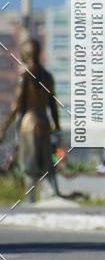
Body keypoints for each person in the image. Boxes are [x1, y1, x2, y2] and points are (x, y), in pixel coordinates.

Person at [0, 38, 61, 201]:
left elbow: (16, 106)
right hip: (44, 122)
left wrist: (4, 128)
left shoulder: (24, 77)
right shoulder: (48, 76)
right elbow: (53, 104)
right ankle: (54, 196)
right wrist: (57, 126)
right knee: (47, 163)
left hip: (28, 124)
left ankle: (31, 200)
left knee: (29, 165)